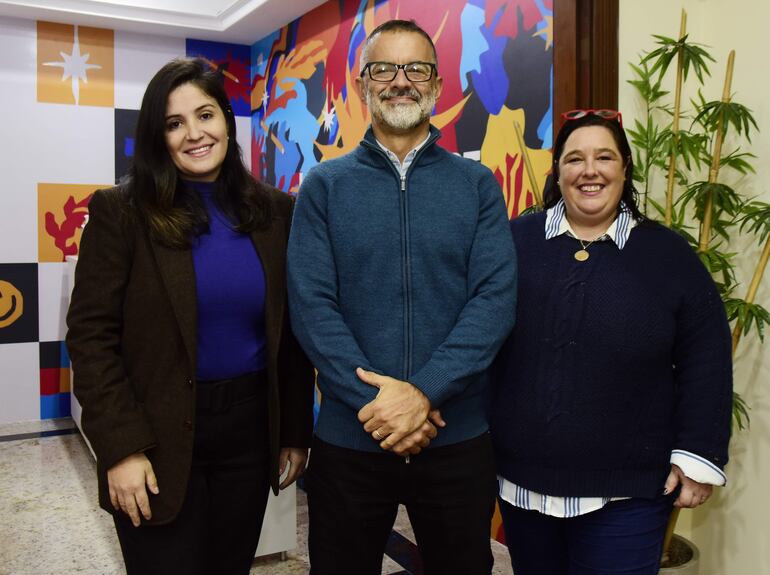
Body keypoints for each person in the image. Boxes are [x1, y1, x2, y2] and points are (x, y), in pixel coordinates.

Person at [66, 58, 315, 575]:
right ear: (157, 137)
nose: (194, 134)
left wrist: (293, 428)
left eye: (206, 115)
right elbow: (91, 339)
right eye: (174, 123)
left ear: (226, 118)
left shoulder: (275, 212)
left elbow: (289, 333)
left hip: (248, 433)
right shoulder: (121, 213)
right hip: (154, 434)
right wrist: (120, 448)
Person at [286, 18, 517, 575]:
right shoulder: (324, 185)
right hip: (351, 437)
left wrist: (425, 394)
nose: (400, 81)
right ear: (364, 85)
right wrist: (382, 406)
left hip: (456, 435)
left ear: (436, 86)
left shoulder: (476, 185)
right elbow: (312, 307)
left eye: (416, 69)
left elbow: (494, 299)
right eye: (384, 69)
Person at [490, 109, 733, 575]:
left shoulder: (668, 255)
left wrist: (699, 455)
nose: (590, 170)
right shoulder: (513, 243)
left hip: (629, 496)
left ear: (625, 168)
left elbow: (706, 357)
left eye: (604, 157)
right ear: (558, 171)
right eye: (575, 158)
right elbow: (481, 340)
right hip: (523, 487)